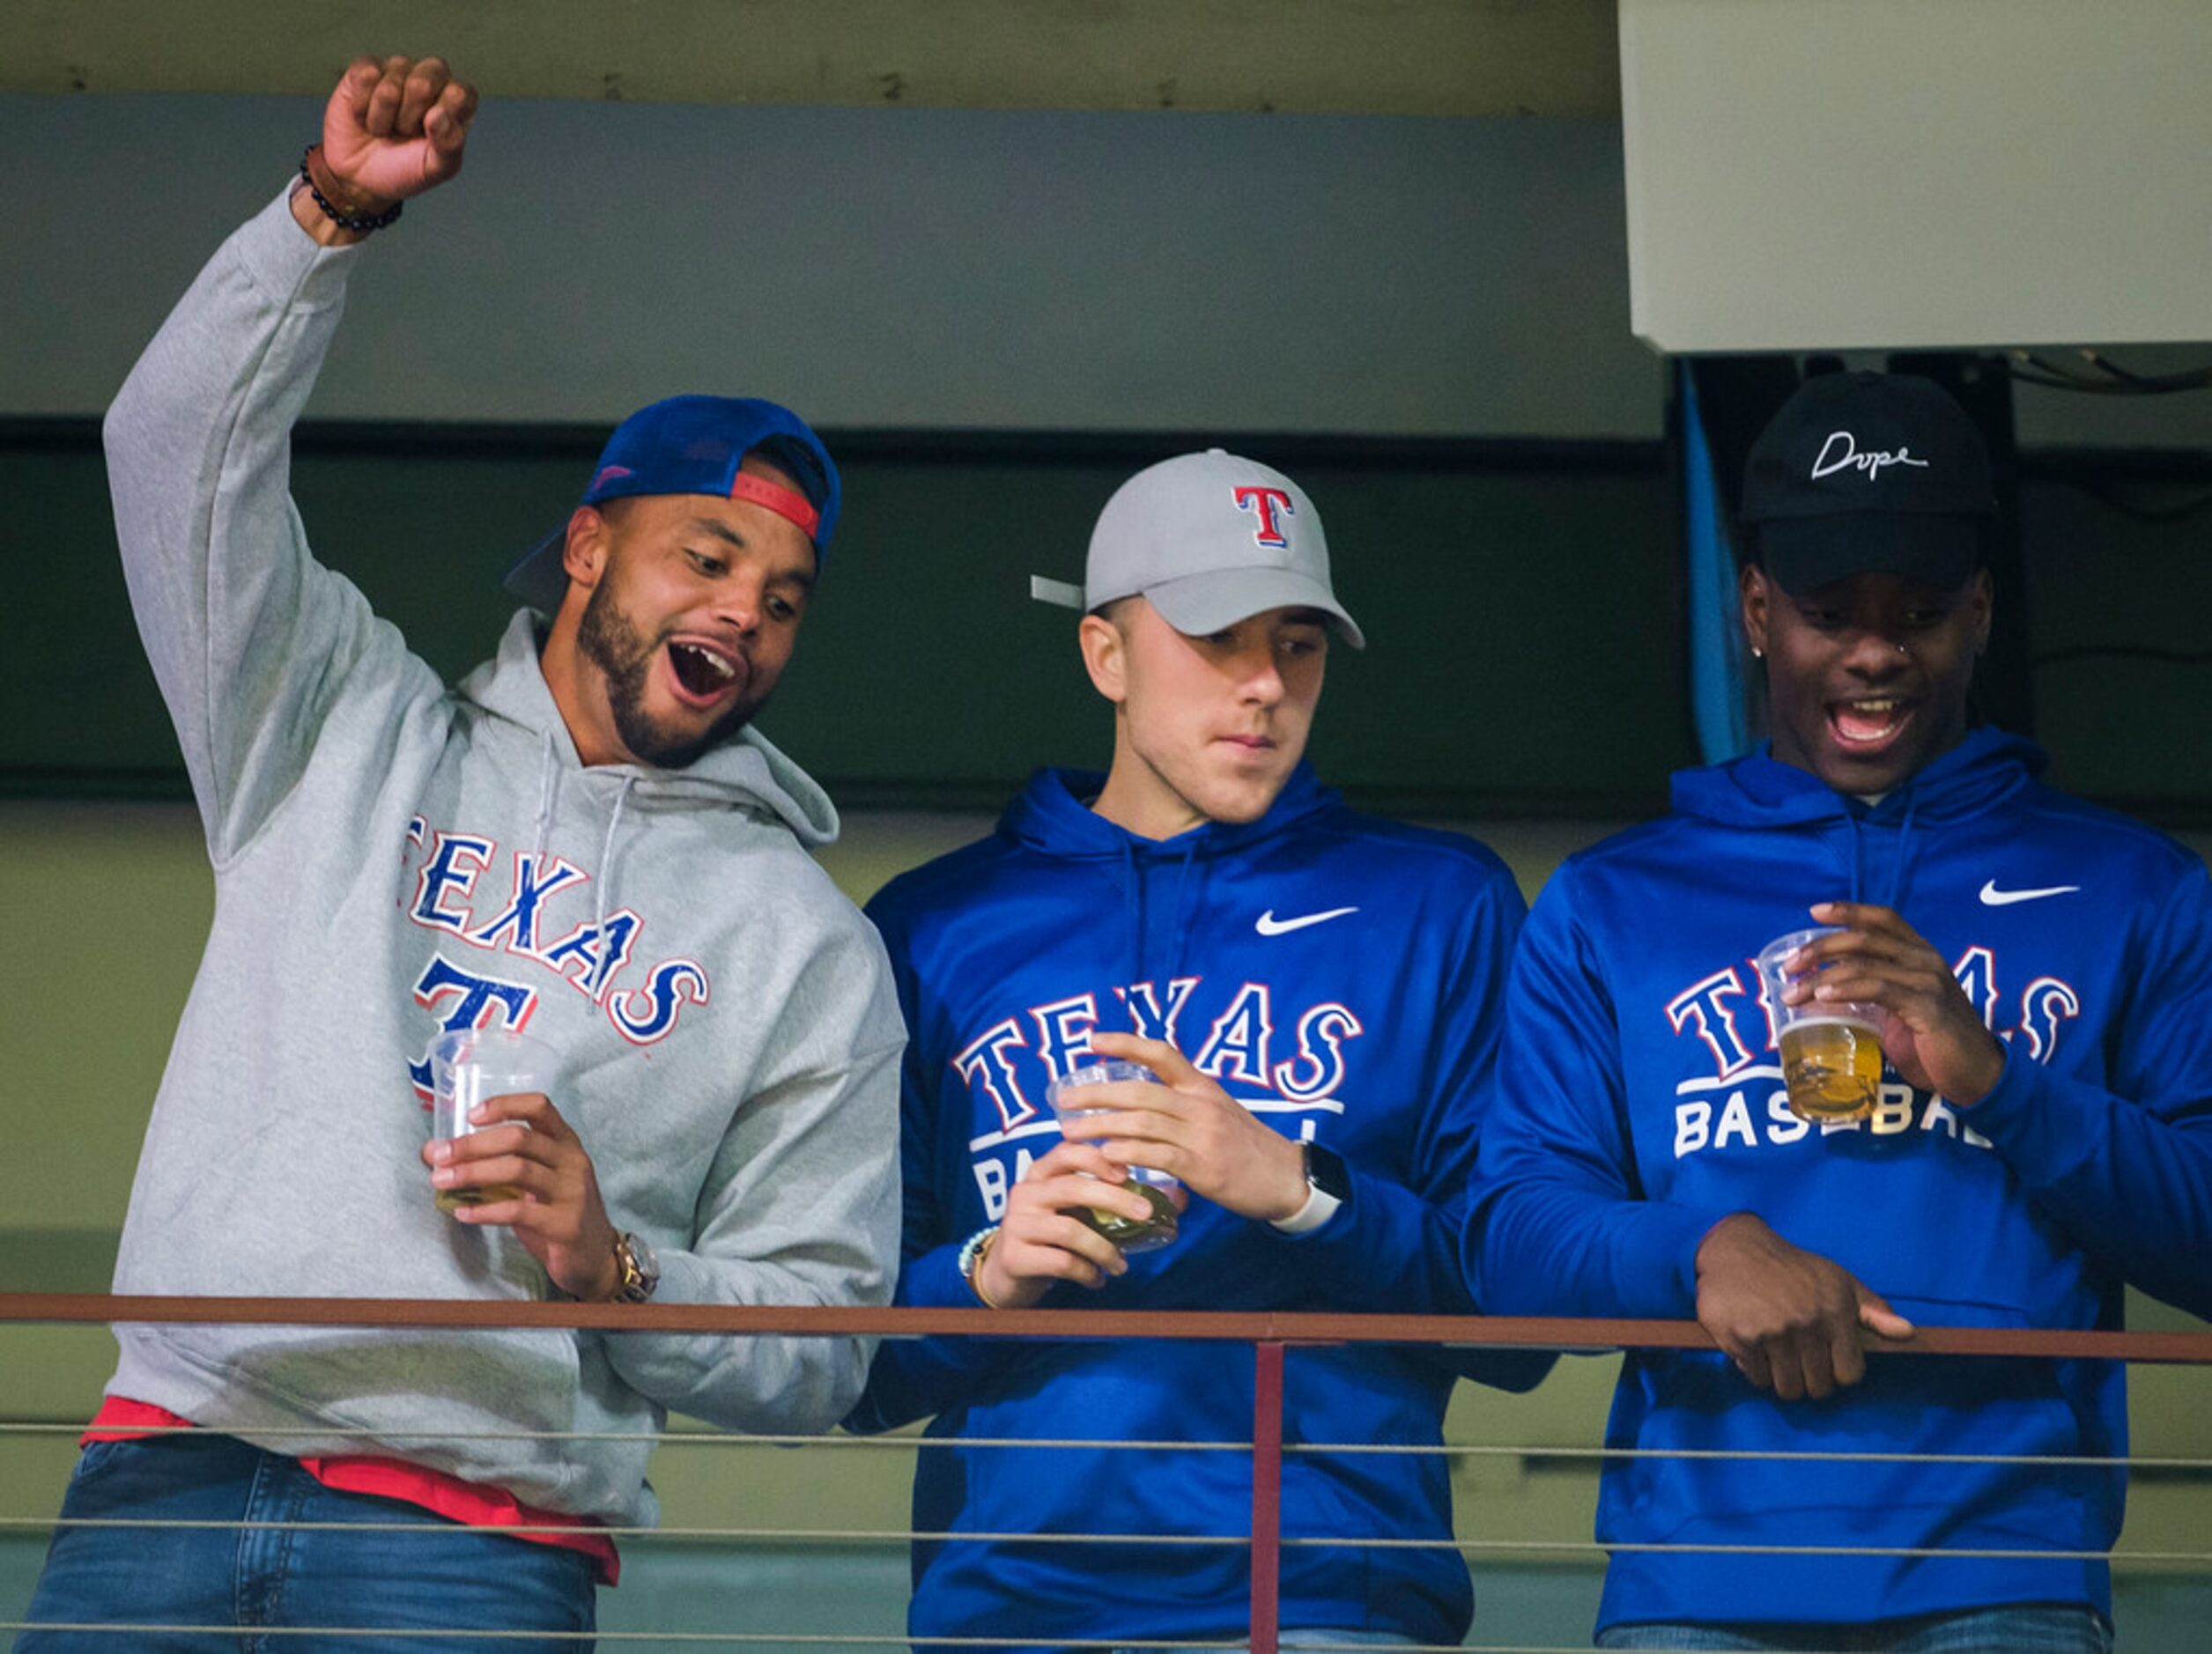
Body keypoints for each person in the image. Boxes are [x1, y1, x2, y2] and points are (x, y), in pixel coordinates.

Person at [19, 55, 903, 1650]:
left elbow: (827, 1343)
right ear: (589, 547)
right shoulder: (340, 720)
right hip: (168, 1474)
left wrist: (613, 1262)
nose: (742, 616)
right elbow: (166, 455)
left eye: (782, 600)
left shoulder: (806, 945)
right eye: (706, 556)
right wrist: (326, 217)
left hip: (478, 1552)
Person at [1465, 369, 2212, 1651]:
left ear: (1981, 610)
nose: (1875, 651)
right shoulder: (1609, 900)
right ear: (1757, 611)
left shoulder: (2133, 887)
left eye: (1918, 611)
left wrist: (1999, 1080)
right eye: (1828, 611)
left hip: (2003, 1579)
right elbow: (1507, 1243)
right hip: (1695, 1586)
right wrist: (1702, 1250)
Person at [843, 448, 1551, 1652]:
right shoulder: (932, 924)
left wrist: (1299, 1191)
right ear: (1104, 652)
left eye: (1298, 643)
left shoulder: (1439, 902)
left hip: (1327, 1607)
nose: (1265, 685)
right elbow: (847, 1370)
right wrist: (990, 1270)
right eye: (1219, 639)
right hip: (1017, 1616)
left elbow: (1525, 1324)